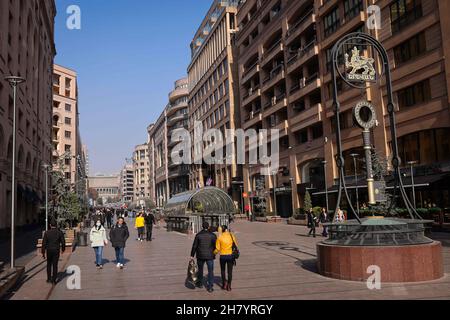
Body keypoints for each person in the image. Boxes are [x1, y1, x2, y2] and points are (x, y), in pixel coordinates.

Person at [190, 222, 217, 293]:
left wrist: (192, 255)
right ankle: (210, 287)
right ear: (208, 227)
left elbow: (194, 246)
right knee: (210, 271)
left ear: (202, 227)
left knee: (200, 270)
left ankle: (200, 283)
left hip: (200, 255)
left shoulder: (198, 235)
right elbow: (215, 246)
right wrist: (214, 252)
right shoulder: (213, 235)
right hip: (210, 256)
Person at [214, 225, 238, 291]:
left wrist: (213, 253)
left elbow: (217, 249)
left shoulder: (220, 237)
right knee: (230, 272)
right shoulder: (231, 235)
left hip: (223, 256)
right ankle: (229, 286)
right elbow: (235, 245)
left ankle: (224, 284)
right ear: (226, 229)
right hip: (230, 256)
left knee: (223, 270)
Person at [42, 220, 66, 284]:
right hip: (56, 250)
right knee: (55, 265)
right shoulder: (59, 232)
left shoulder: (47, 233)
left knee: (49, 264)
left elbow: (44, 243)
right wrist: (63, 249)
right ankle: (54, 280)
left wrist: (43, 252)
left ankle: (49, 279)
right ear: (56, 225)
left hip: (49, 250)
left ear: (50, 225)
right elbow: (63, 242)